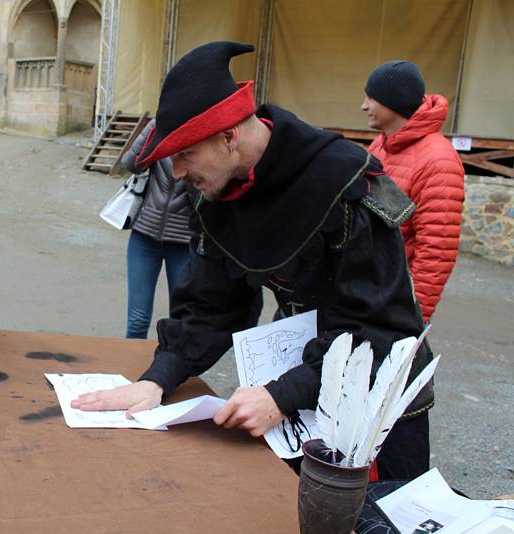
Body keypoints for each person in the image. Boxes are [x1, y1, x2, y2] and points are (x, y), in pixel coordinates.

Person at [72, 41, 434, 481]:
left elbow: (383, 329)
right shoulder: (214, 191)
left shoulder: (344, 183)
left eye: (186, 154)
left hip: (380, 393)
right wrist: (158, 378)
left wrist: (283, 394)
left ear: (229, 136)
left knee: (386, 516)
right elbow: (212, 307)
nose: (180, 173)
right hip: (300, 390)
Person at [361, 60, 465, 323]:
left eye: (371, 97)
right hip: (366, 292)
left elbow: (436, 251)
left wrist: (412, 318)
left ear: (393, 102)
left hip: (393, 302)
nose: (363, 106)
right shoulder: (380, 145)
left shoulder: (439, 161)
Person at [121, 119, 195, 339]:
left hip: (183, 242)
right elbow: (131, 164)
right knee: (137, 319)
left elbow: (206, 192)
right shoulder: (160, 126)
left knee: (180, 321)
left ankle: (169, 370)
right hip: (144, 237)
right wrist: (156, 126)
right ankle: (132, 370)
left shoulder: (204, 134)